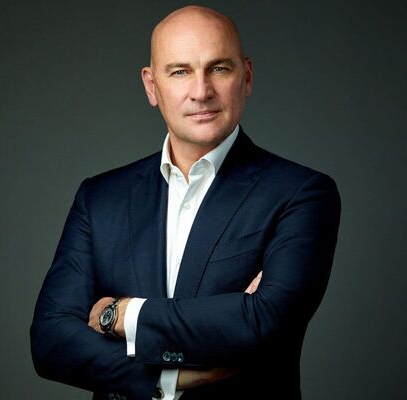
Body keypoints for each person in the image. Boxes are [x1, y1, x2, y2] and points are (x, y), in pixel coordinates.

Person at [31, 5, 340, 400]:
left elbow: (265, 323)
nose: (201, 91)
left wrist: (122, 314)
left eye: (219, 68)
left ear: (246, 76)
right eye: (180, 72)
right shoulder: (100, 197)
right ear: (151, 86)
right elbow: (50, 340)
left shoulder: (302, 193)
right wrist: (168, 379)